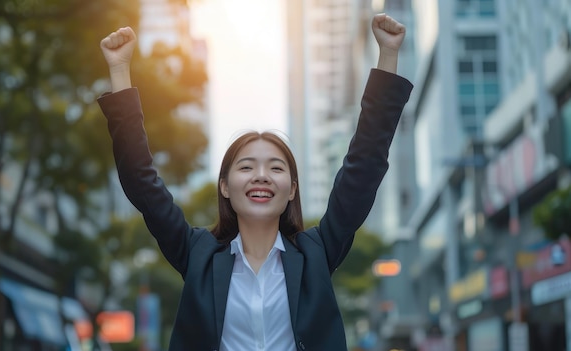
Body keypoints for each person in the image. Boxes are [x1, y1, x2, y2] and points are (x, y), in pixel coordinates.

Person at [98, 13, 413, 351]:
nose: (261, 175)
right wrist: (119, 70)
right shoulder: (198, 254)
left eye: (276, 168)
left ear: (292, 189)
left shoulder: (316, 254)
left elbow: (362, 168)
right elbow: (141, 181)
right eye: (246, 167)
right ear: (224, 186)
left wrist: (388, 55)